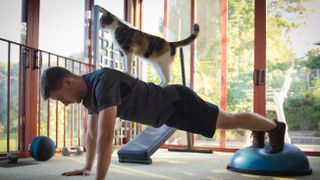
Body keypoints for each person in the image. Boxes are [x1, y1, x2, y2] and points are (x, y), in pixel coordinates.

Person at [41, 66, 286, 180]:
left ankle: (273, 127)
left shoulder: (103, 82)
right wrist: (87, 167)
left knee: (228, 121)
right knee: (227, 120)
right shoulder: (88, 98)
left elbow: (106, 137)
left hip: (177, 102)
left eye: (60, 98)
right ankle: (262, 128)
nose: (64, 104)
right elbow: (92, 135)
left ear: (67, 81)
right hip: (169, 113)